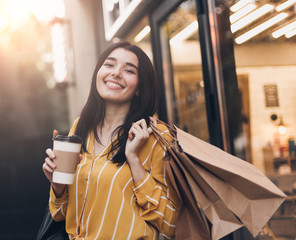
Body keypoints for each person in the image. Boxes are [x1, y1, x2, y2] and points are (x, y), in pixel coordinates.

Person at [42, 41, 180, 240]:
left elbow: (171, 223)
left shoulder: (156, 136)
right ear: (98, 73)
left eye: (129, 70)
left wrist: (133, 159)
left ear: (140, 87)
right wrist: (57, 185)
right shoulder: (81, 128)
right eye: (109, 64)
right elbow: (59, 214)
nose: (116, 73)